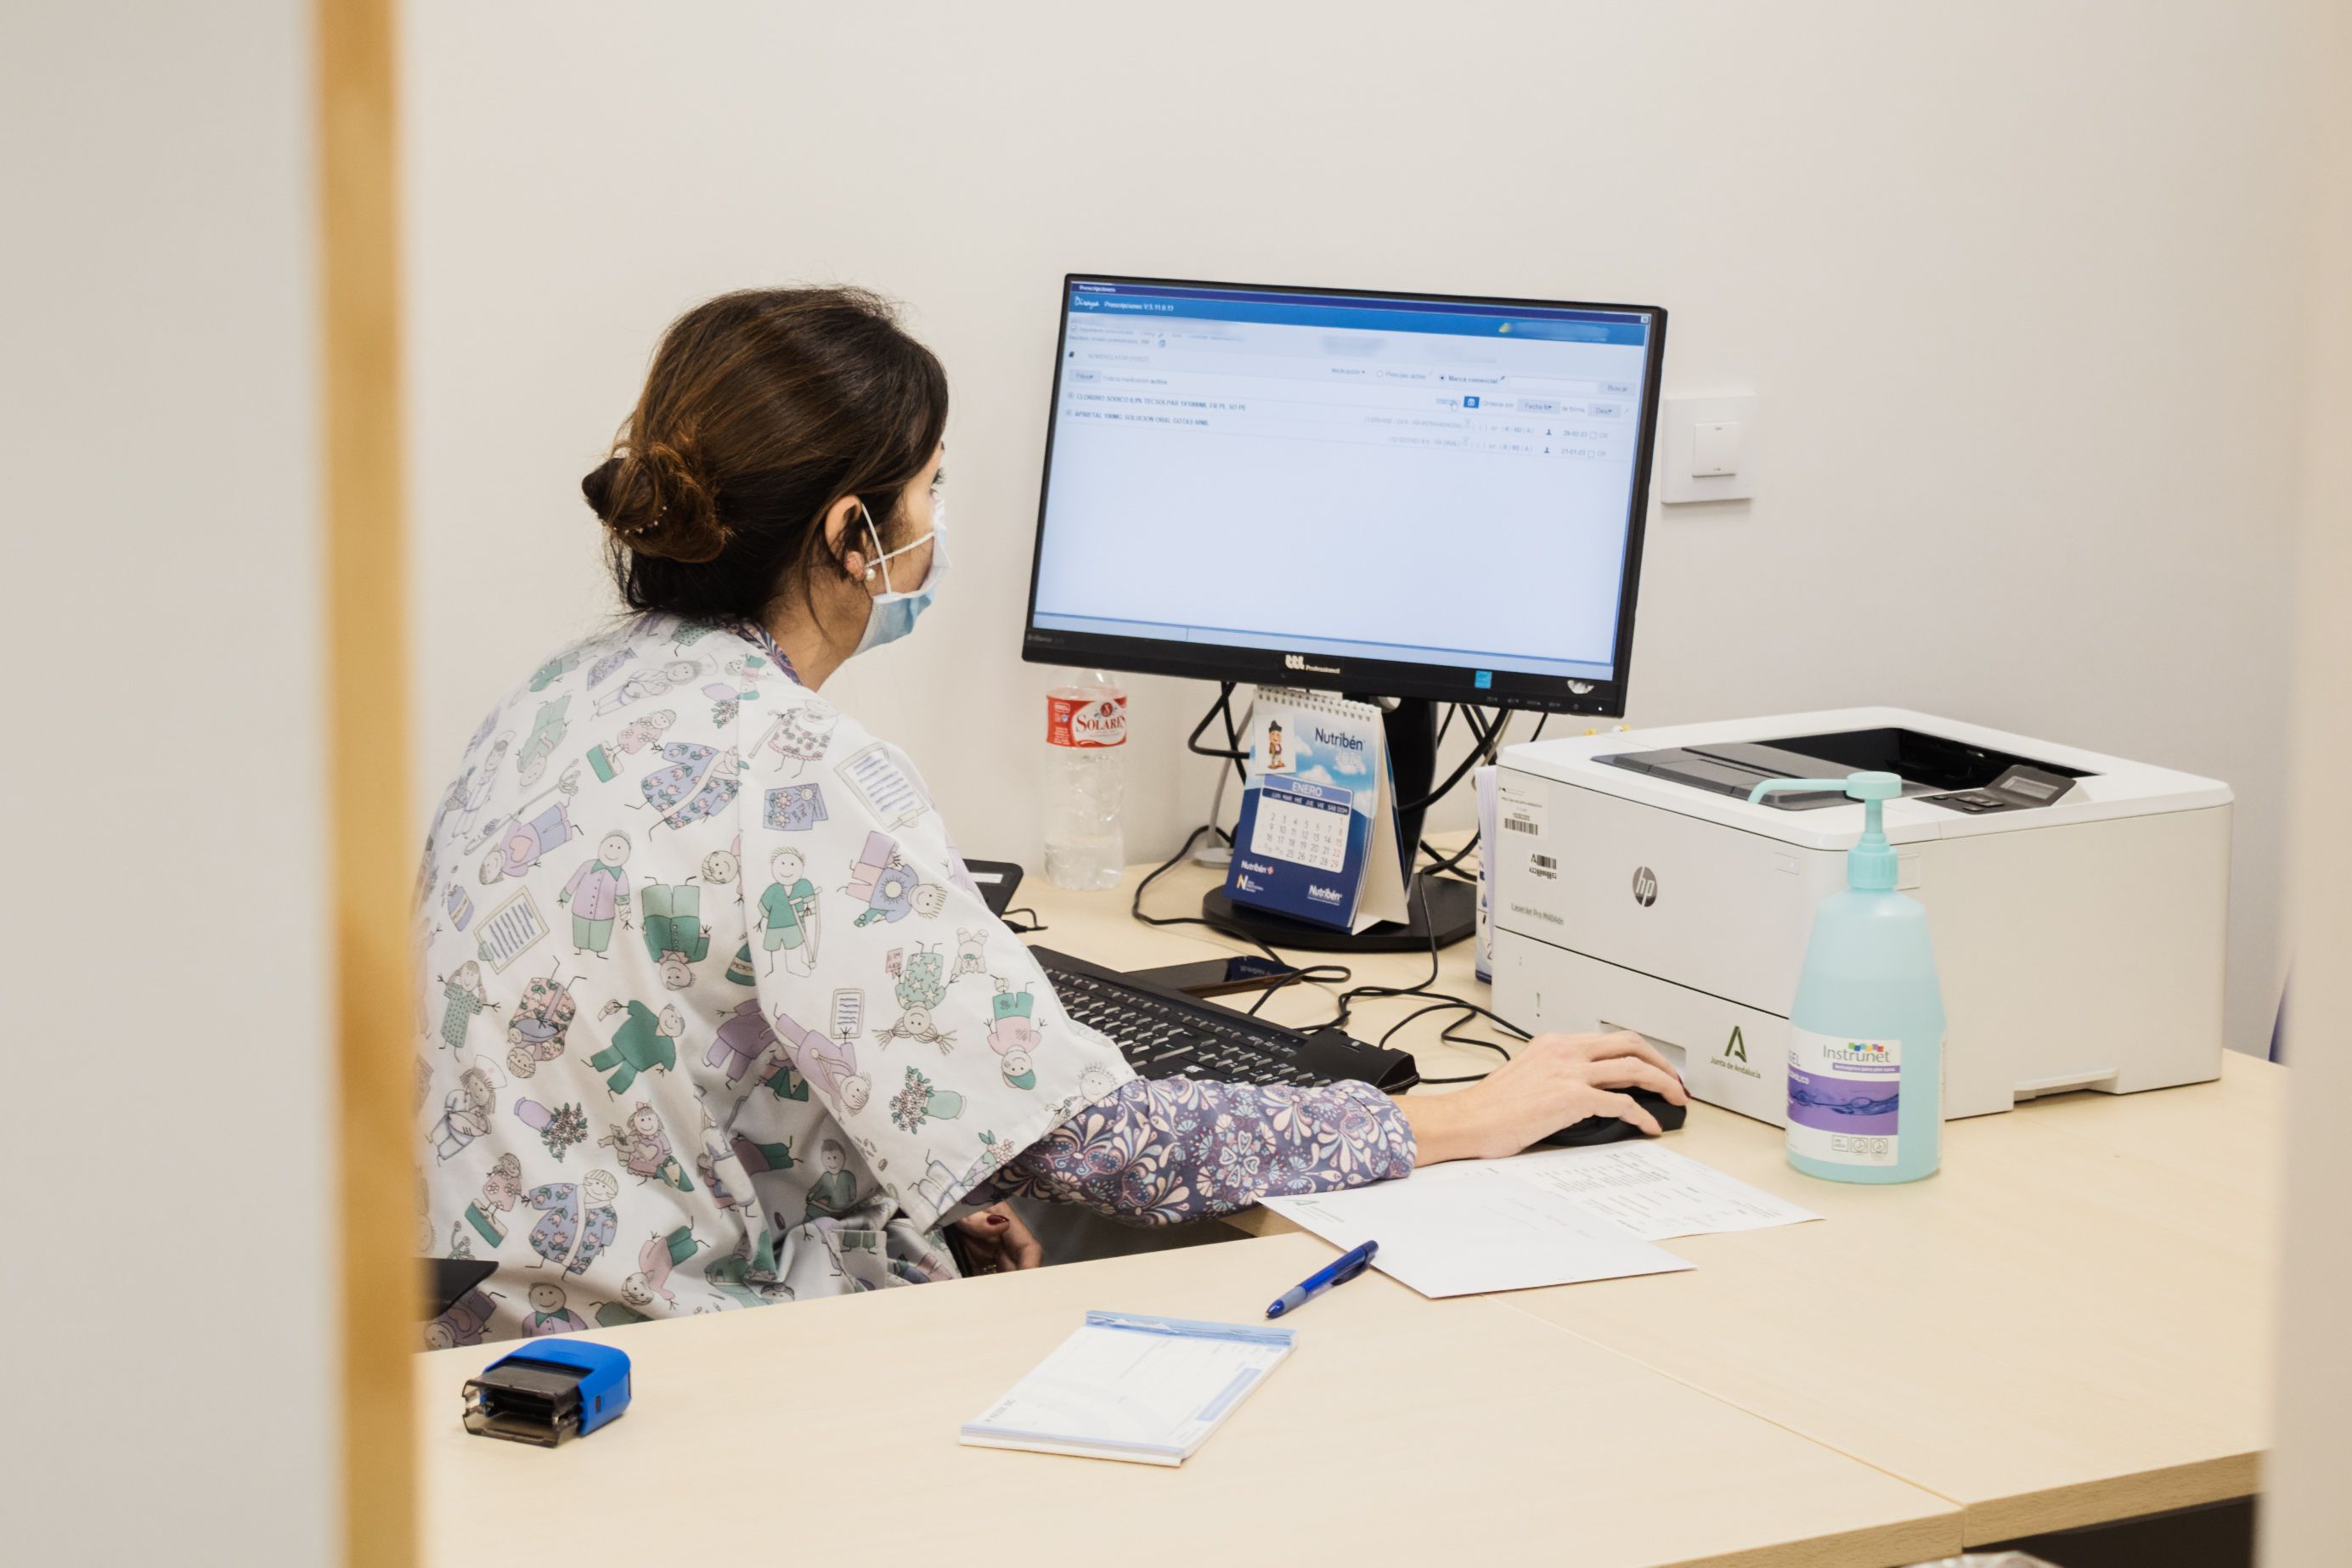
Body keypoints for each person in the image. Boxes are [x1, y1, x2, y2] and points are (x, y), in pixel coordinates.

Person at [413, 286, 1685, 1341]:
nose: (934, 526)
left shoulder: (558, 697)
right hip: (663, 1359)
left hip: (473, 1330)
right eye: (928, 490)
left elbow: (689, 1061)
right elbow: (1099, 1146)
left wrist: (915, 1195)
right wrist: (1461, 1115)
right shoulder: (793, 770)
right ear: (856, 531)